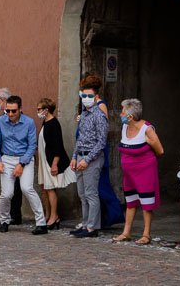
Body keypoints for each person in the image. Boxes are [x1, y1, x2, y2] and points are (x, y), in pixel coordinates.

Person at [0, 96, 49, 235]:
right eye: (8, 111)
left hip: (25, 158)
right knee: (6, 194)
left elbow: (32, 145)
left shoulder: (29, 122)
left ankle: (41, 223)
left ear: (20, 109)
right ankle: (4, 221)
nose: (10, 114)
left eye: (14, 111)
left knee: (27, 188)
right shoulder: (0, 121)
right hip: (6, 158)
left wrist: (21, 163)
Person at [112, 99, 164, 245]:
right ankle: (126, 232)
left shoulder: (147, 129)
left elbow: (160, 150)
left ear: (130, 116)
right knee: (130, 202)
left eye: (122, 112)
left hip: (145, 171)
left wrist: (150, 143)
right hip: (129, 174)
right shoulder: (125, 127)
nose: (120, 114)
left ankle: (146, 234)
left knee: (146, 203)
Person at [70, 76, 109, 238]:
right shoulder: (84, 114)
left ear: (95, 96)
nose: (86, 98)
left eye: (89, 96)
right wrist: (74, 157)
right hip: (80, 156)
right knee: (82, 194)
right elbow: (80, 139)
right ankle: (85, 224)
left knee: (91, 194)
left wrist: (87, 160)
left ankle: (92, 227)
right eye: (84, 96)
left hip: (92, 159)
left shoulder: (99, 115)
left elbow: (101, 142)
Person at [35, 98, 75, 230]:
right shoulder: (45, 122)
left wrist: (54, 164)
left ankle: (54, 216)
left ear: (46, 110)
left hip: (50, 161)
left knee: (50, 188)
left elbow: (58, 146)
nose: (37, 111)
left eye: (39, 109)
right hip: (44, 160)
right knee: (44, 188)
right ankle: (48, 215)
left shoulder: (54, 124)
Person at [0, 87, 24, 225]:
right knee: (6, 190)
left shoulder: (17, 116)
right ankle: (5, 215)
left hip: (16, 157)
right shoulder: (1, 118)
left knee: (16, 188)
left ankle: (15, 215)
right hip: (4, 156)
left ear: (4, 100)